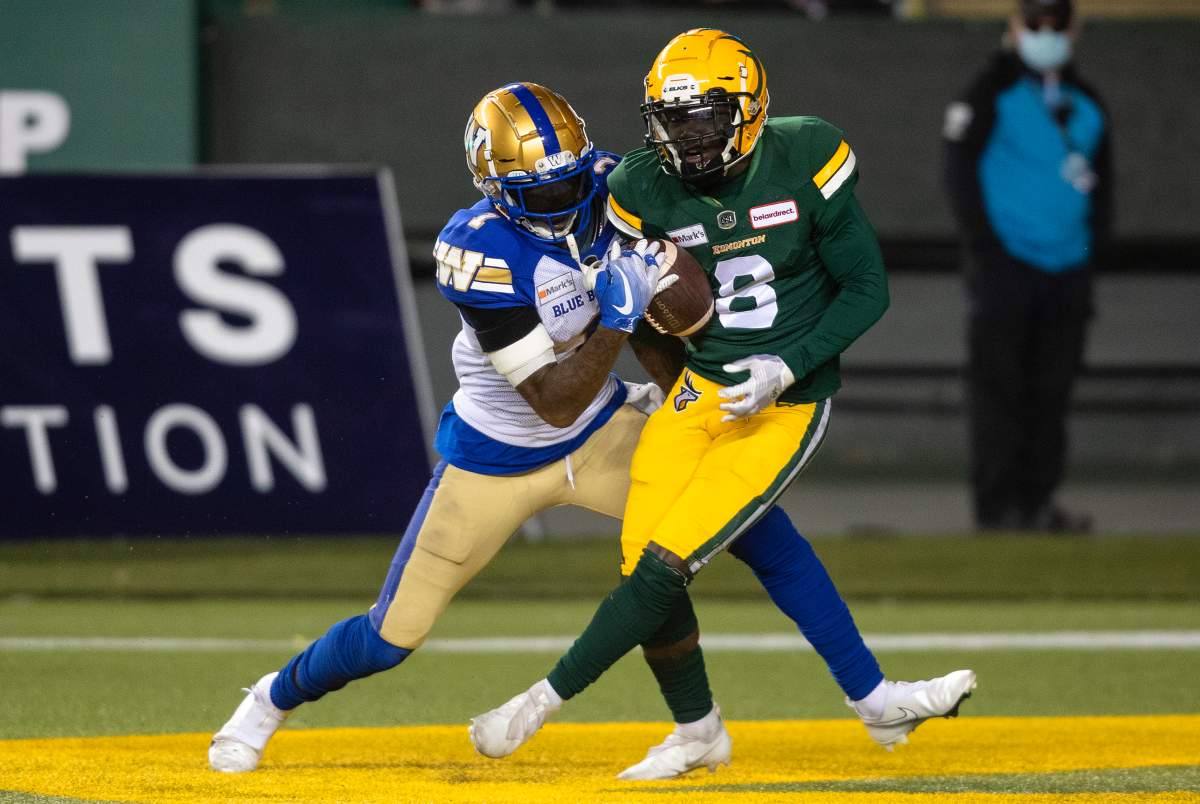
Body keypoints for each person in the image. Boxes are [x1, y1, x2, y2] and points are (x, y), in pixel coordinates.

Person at [207, 81, 885, 780]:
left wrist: (674, 378)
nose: (563, 201)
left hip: (599, 432)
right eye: (540, 190)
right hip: (497, 455)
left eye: (570, 182)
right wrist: (617, 315)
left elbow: (663, 316)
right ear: (494, 185)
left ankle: (722, 721)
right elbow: (553, 400)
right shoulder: (476, 250)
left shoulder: (616, 185)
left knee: (741, 527)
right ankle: (268, 700)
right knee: (391, 636)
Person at [469, 29, 977, 769]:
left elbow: (869, 288)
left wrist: (789, 364)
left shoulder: (807, 154)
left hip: (788, 397)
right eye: (675, 121)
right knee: (647, 556)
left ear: (747, 106)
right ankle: (711, 729)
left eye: (706, 117)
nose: (691, 137)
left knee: (665, 565)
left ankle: (538, 703)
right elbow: (648, 301)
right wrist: (661, 371)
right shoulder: (639, 187)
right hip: (700, 389)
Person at [943, 0, 1111, 533]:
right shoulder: (987, 91)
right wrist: (986, 248)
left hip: (1068, 271)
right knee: (999, 388)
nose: (1045, 33)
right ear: (1014, 28)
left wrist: (1091, 254)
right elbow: (957, 171)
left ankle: (1039, 504)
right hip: (1005, 269)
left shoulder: (1087, 104)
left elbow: (1105, 190)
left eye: (1055, 24)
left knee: (1051, 392)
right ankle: (997, 510)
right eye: (1034, 23)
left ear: (1073, 30)